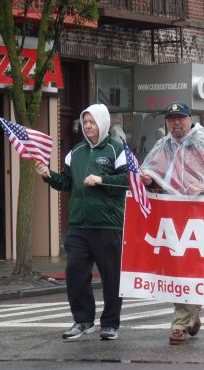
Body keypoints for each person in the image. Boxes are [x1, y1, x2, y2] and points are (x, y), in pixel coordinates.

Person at [139, 102, 204, 345]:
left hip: (202, 217)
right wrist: (146, 179)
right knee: (178, 268)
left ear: (190, 119)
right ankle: (191, 314)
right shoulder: (162, 146)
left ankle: (180, 324)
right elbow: (149, 172)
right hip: (172, 217)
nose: (176, 123)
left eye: (181, 118)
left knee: (191, 267)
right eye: (171, 119)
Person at [35, 104, 128, 340]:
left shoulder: (117, 150)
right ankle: (83, 320)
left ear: (103, 124)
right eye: (85, 123)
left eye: (92, 122)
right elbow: (66, 183)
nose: (88, 127)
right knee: (75, 272)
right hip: (78, 226)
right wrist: (48, 176)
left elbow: (128, 181)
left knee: (111, 277)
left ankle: (110, 324)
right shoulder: (75, 152)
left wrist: (101, 179)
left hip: (108, 225)